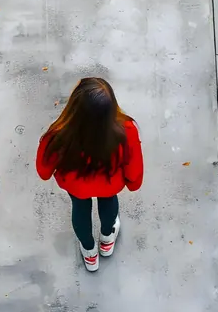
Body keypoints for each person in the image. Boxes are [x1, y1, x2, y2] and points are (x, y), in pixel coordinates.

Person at [35, 77, 143, 272]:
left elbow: (44, 170)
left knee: (80, 209)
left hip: (77, 186)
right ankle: (107, 240)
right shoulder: (126, 130)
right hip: (110, 183)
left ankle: (89, 252)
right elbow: (133, 165)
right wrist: (133, 182)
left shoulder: (59, 133)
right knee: (109, 203)